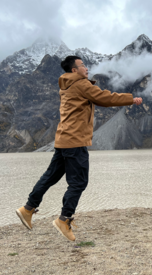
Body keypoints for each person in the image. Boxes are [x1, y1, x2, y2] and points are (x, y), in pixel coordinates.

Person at [16, 55, 142, 241]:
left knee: (50, 177)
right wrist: (131, 99)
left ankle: (27, 209)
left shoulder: (66, 85)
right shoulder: (81, 84)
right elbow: (105, 98)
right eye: (83, 65)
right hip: (75, 142)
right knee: (78, 182)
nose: (86, 68)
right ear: (74, 70)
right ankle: (64, 219)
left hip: (63, 140)